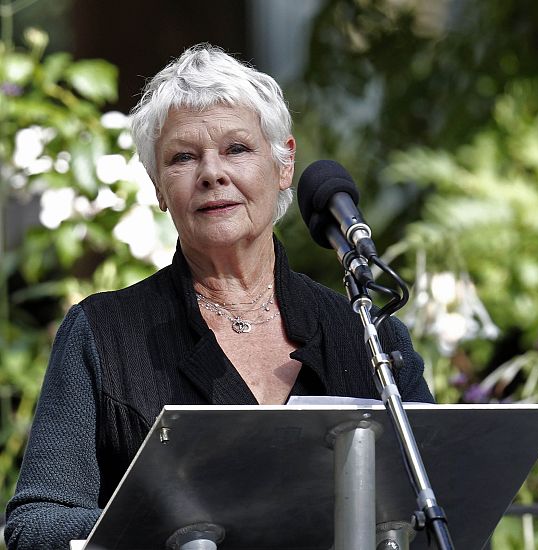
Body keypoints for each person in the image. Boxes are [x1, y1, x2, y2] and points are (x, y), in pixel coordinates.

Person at [4, 44, 433, 550]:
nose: (212, 173)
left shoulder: (368, 337)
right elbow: (36, 524)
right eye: (183, 157)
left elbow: (447, 505)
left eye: (237, 149)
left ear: (283, 165)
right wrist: (161, 529)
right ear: (159, 186)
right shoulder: (102, 334)